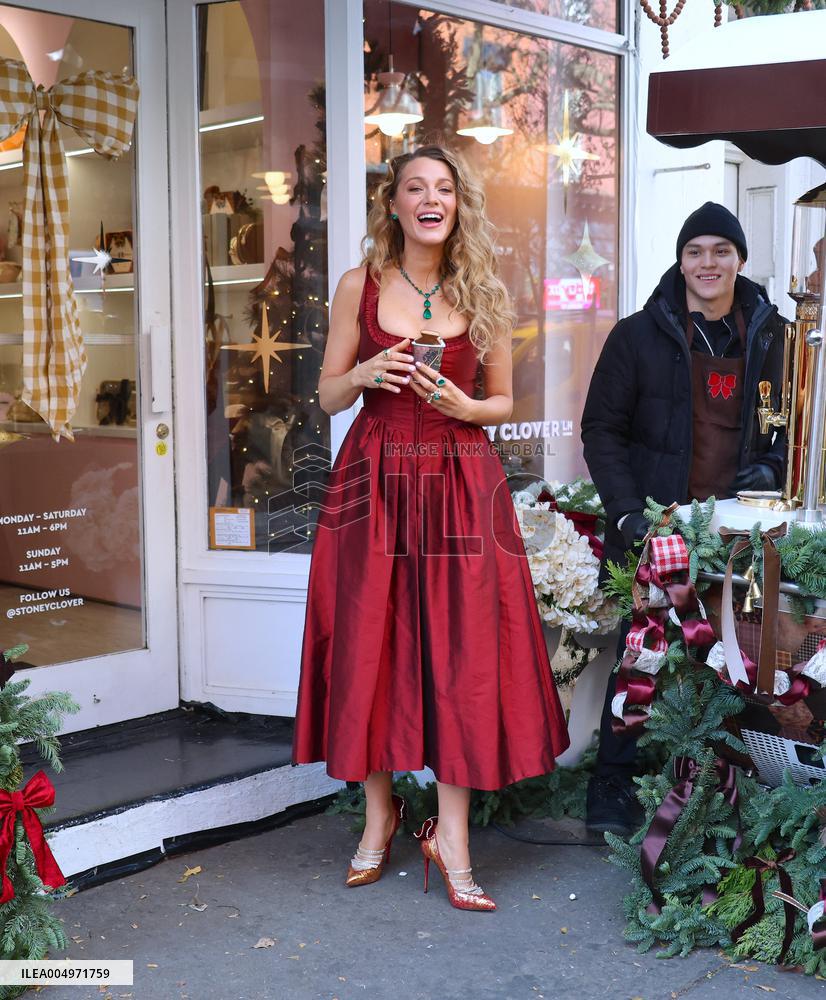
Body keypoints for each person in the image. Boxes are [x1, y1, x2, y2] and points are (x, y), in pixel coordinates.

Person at [292, 145, 569, 911]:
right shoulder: (359, 285)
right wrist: (363, 376)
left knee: (462, 650)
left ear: (458, 204)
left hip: (459, 482)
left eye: (443, 187)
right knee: (369, 642)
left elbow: (504, 405)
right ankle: (379, 816)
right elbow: (324, 396)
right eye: (415, 186)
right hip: (374, 480)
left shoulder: (485, 289)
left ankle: (452, 838)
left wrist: (463, 408)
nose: (429, 198)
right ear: (394, 204)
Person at [581, 202, 786, 835]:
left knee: (737, 658)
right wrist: (625, 515)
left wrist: (773, 470)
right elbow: (601, 430)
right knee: (639, 660)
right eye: (695, 251)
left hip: (736, 532)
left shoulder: (771, 334)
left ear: (739, 260)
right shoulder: (638, 335)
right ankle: (611, 787)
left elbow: (789, 422)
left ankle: (726, 786)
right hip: (659, 528)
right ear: (680, 260)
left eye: (721, 251)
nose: (708, 263)